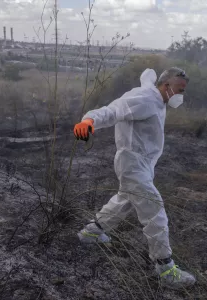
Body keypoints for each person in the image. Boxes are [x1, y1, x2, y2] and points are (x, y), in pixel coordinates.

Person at [73, 67, 196, 289]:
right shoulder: (145, 98)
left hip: (143, 165)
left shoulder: (158, 99)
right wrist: (90, 120)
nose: (181, 95)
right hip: (132, 163)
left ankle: (90, 233)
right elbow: (114, 110)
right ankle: (165, 268)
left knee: (125, 201)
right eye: (180, 89)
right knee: (154, 208)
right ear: (167, 86)